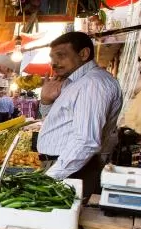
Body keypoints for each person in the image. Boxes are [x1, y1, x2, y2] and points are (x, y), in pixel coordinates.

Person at [36, 31, 123, 197]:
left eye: (61, 55)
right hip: (64, 166)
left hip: (74, 169)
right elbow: (57, 122)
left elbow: (86, 141)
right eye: (52, 57)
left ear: (83, 54)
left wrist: (50, 178)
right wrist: (46, 101)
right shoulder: (73, 83)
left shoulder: (92, 84)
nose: (54, 63)